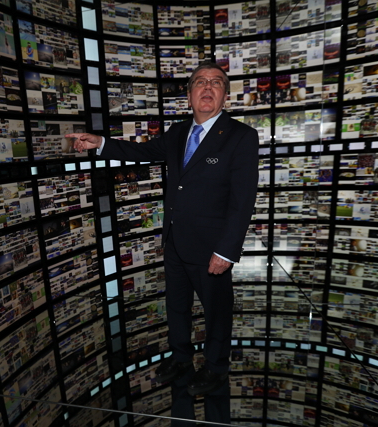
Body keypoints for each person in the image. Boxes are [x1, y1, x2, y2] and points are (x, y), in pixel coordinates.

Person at [66, 61, 259, 425]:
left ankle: (216, 367)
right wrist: (101, 142)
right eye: (200, 82)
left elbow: (242, 200)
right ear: (188, 95)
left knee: (217, 312)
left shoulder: (241, 137)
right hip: (174, 242)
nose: (207, 88)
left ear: (225, 95)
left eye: (216, 83)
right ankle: (181, 358)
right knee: (177, 307)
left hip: (211, 248)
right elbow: (143, 152)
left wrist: (226, 250)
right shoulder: (179, 131)